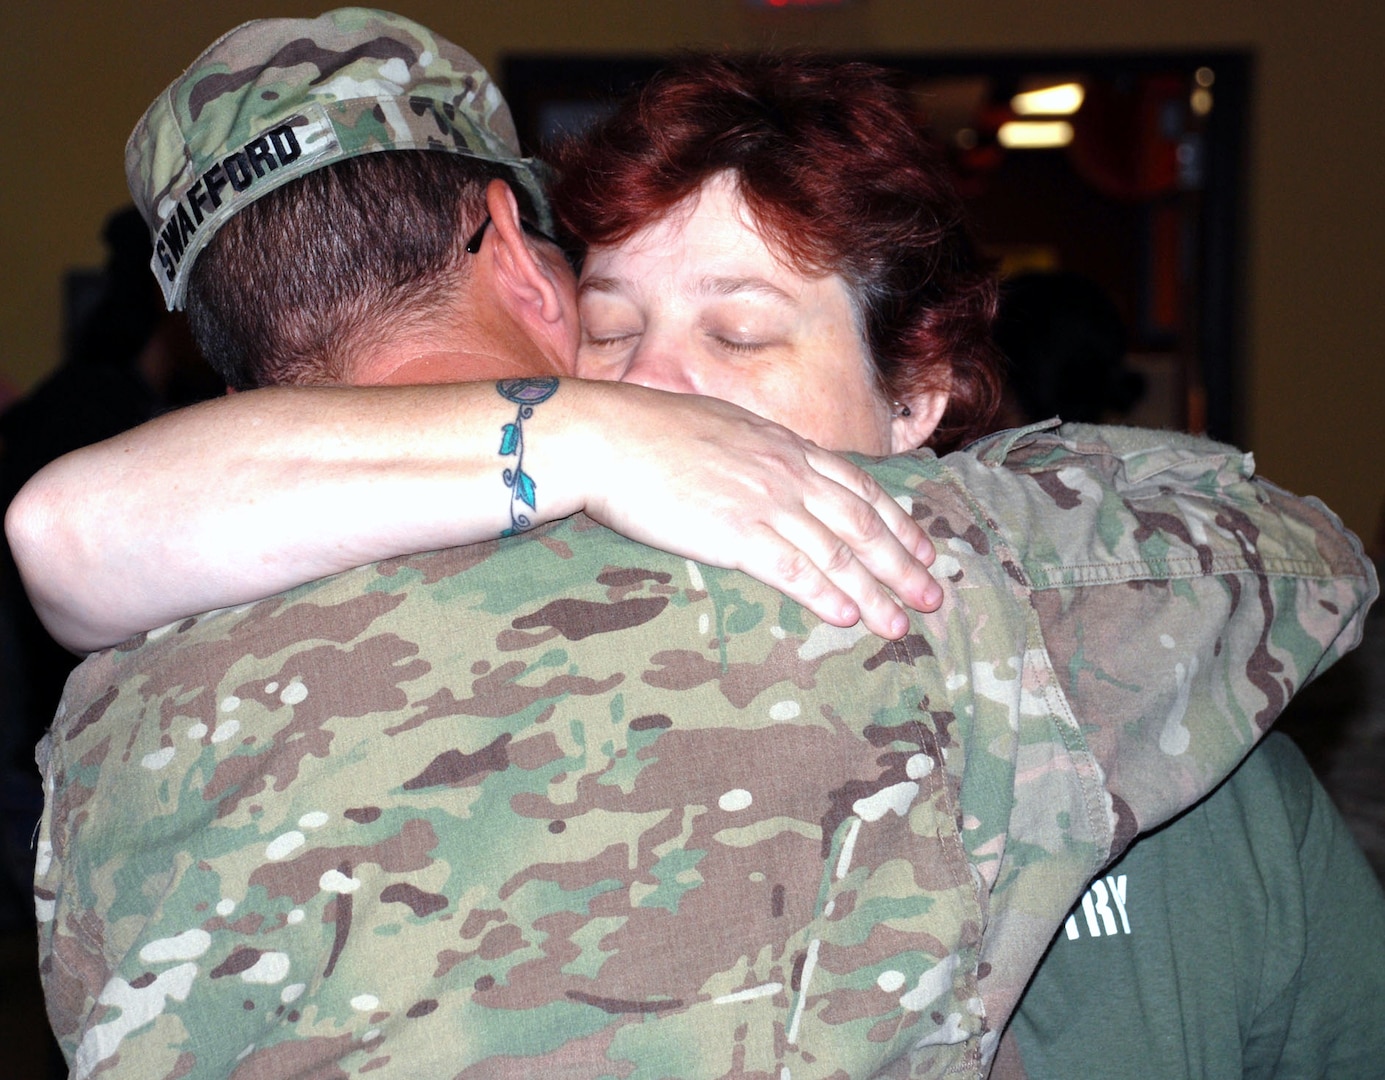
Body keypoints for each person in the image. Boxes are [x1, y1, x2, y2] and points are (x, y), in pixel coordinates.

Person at [18, 14, 1376, 1080]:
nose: (656, 397)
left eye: (736, 334)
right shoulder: (1052, 619)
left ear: (918, 399)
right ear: (517, 258)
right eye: (608, 345)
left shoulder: (109, 721)